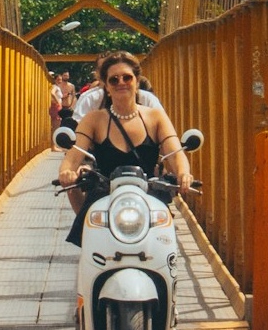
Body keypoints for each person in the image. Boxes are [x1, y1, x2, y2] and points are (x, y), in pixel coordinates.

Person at [56, 51, 191, 246]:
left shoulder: (156, 118)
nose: (121, 82)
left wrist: (183, 173)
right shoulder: (94, 120)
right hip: (105, 196)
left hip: (147, 197)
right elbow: (74, 154)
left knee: (164, 246)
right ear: (106, 86)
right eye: (114, 79)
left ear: (137, 81)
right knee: (91, 247)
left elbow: (175, 152)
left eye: (127, 77)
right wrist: (66, 171)